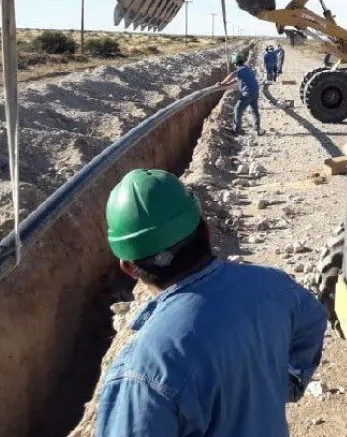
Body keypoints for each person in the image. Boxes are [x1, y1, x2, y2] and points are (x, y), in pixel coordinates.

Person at [95, 169, 327, 437]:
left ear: (129, 268)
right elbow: (314, 318)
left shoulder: (142, 372)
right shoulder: (275, 287)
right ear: (205, 231)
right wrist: (282, 383)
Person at [220, 52, 262, 135]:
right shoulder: (246, 68)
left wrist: (222, 83)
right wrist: (227, 84)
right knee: (254, 110)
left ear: (235, 63)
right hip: (255, 91)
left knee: (237, 109)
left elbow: (232, 74)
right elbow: (238, 79)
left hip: (248, 92)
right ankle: (258, 129)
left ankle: (237, 130)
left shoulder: (241, 69)